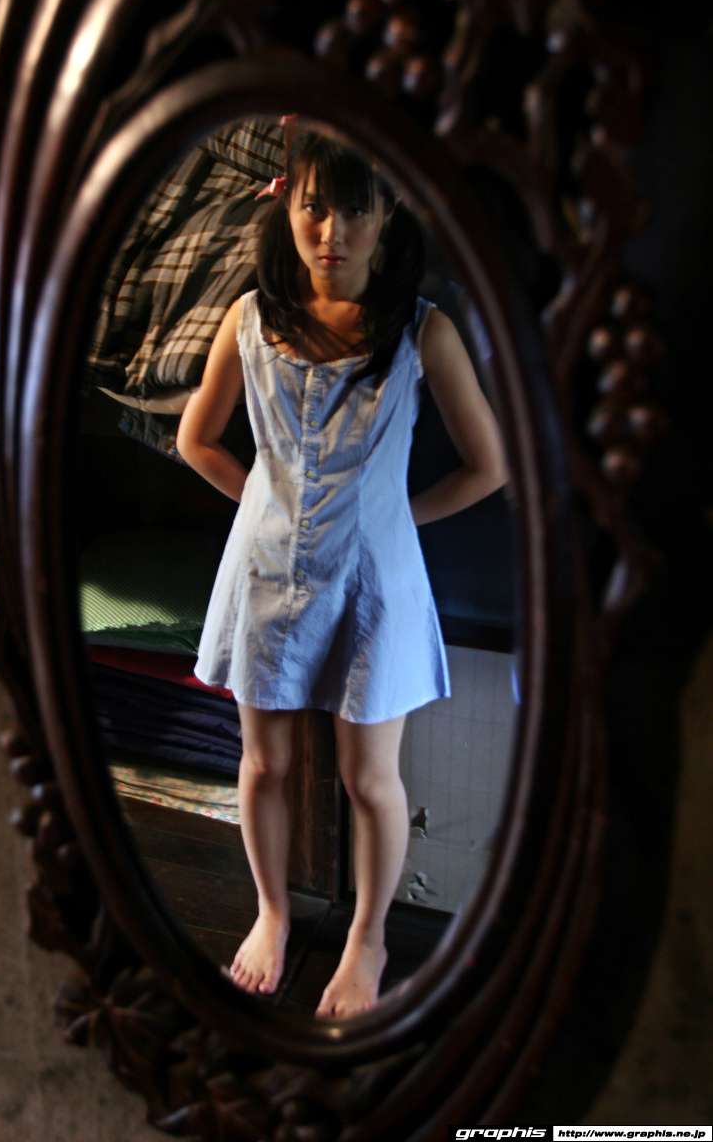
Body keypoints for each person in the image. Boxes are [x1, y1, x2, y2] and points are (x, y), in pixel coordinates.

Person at [176, 126, 507, 1019]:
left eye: (354, 210)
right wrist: (265, 505)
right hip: (264, 577)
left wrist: (392, 518)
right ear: (285, 204)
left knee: (369, 779)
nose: (332, 232)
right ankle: (272, 915)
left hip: (374, 586)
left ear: (387, 214)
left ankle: (367, 939)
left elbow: (489, 465)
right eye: (315, 207)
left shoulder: (423, 331)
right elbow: (196, 440)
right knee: (264, 763)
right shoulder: (249, 319)